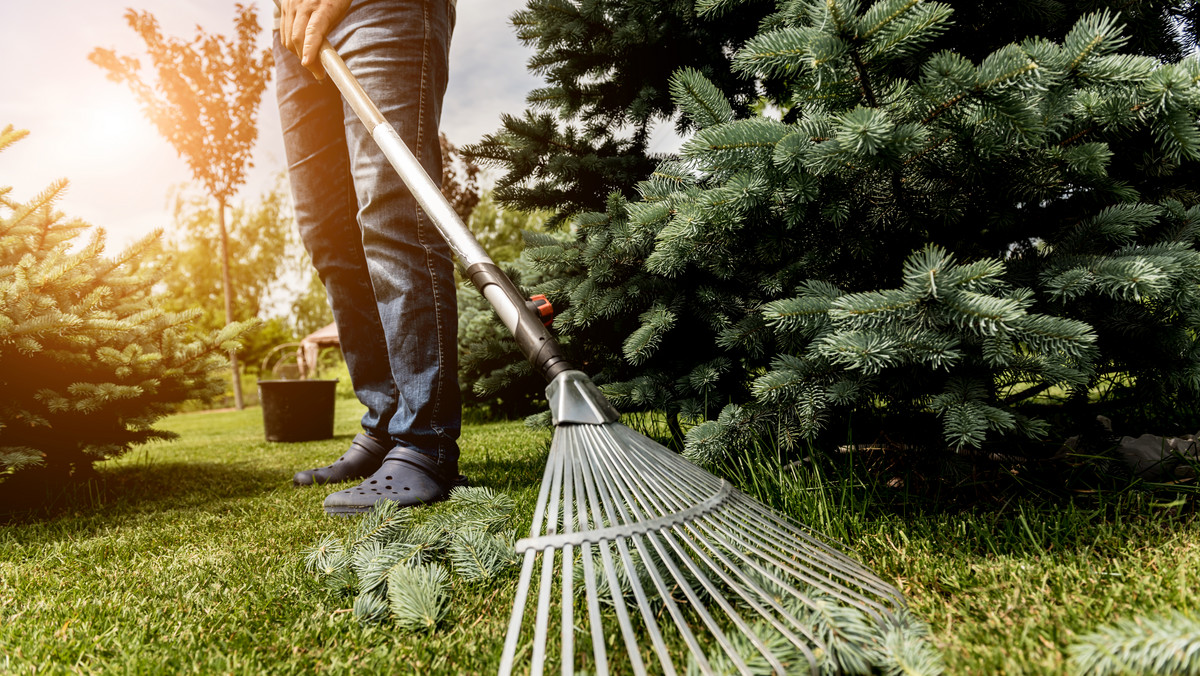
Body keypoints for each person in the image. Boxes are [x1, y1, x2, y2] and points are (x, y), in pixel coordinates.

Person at [274, 0, 463, 515]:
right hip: (292, 26)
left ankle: (425, 440)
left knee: (392, 213)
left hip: (381, 7)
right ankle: (384, 427)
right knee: (328, 233)